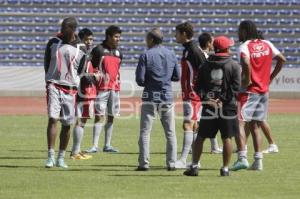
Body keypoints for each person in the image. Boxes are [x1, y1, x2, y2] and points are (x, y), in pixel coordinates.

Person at [231, 20, 286, 171]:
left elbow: (246, 62)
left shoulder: (244, 46)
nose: (238, 33)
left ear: (244, 31)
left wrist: (246, 80)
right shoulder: (267, 44)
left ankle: (242, 158)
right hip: (263, 91)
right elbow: (282, 59)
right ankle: (258, 161)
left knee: (239, 123)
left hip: (249, 91)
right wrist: (270, 78)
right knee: (255, 125)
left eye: (239, 30)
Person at [183, 36, 241, 177]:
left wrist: (207, 99)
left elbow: (197, 86)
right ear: (226, 48)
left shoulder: (205, 64)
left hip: (209, 106)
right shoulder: (233, 65)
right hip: (227, 107)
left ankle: (195, 166)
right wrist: (221, 99)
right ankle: (225, 169)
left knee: (201, 136)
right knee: (227, 137)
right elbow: (236, 88)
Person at [174, 23, 222, 169]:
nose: (175, 36)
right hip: (190, 94)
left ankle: (183, 160)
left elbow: (206, 70)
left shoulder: (194, 50)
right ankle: (195, 160)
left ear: (183, 34)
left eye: (176, 33)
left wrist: (204, 92)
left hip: (193, 95)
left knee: (188, 124)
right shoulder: (189, 49)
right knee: (193, 126)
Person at [44, 17, 87, 168]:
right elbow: (47, 62)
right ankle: (50, 156)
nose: (61, 30)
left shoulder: (81, 47)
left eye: (65, 28)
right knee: (52, 118)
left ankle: (61, 157)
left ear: (72, 30)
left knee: (68, 124)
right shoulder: (53, 42)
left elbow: (80, 70)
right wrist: (50, 79)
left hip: (70, 88)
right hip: (54, 84)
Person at [136, 28, 180, 171]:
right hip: (166, 96)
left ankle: (144, 163)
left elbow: (140, 80)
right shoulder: (171, 54)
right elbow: (177, 76)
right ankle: (172, 163)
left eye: (147, 39)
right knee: (170, 132)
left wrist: (150, 81)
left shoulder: (146, 55)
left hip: (150, 96)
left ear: (151, 40)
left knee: (145, 132)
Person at [85, 25, 123, 153]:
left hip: (115, 88)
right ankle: (94, 146)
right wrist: (94, 75)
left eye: (119, 37)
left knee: (111, 116)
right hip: (101, 88)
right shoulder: (98, 50)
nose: (118, 39)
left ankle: (107, 145)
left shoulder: (118, 52)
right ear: (108, 37)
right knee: (99, 115)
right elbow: (89, 66)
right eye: (116, 37)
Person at [70, 28, 98, 160]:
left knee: (82, 121)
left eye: (91, 39)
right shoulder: (82, 53)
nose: (89, 42)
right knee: (80, 121)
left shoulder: (87, 53)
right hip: (84, 92)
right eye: (86, 39)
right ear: (81, 40)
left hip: (88, 92)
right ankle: (75, 152)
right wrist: (95, 76)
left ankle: (77, 150)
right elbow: (82, 75)